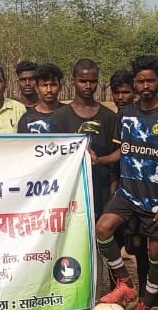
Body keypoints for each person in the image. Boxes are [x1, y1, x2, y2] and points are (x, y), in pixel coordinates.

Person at [95, 56, 158, 310]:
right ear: (135, 83)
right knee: (103, 229)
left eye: (150, 80)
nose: (145, 86)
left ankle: (145, 308)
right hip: (128, 193)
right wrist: (100, 160)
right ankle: (125, 283)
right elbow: (123, 151)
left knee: (156, 254)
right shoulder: (126, 113)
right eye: (141, 81)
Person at [50, 59, 120, 212]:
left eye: (92, 81)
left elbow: (115, 161)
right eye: (82, 81)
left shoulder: (109, 117)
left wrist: (112, 193)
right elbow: (54, 158)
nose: (88, 86)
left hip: (101, 188)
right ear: (73, 81)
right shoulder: (60, 117)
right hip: (70, 188)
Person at [17, 63, 63, 133]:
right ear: (36, 88)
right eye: (44, 85)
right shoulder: (26, 119)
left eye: (53, 85)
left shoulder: (69, 114)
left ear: (60, 87)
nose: (49, 90)